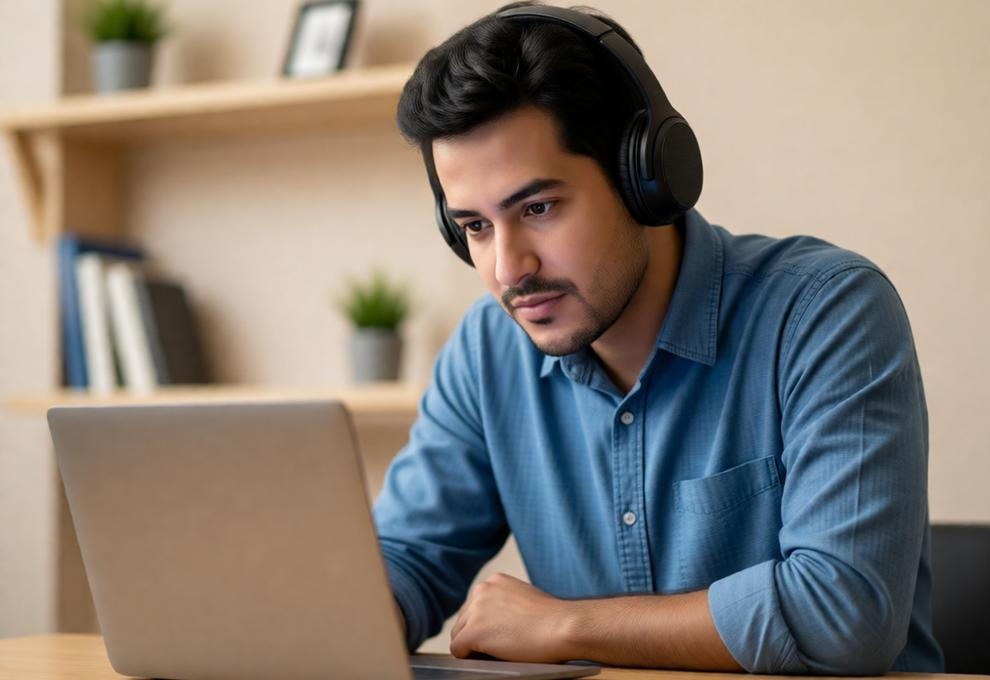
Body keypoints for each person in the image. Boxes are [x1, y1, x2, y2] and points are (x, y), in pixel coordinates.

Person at [372, 2, 944, 674]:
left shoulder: (825, 313)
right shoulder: (486, 353)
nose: (509, 268)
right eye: (474, 227)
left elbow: (845, 613)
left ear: (644, 176)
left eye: (539, 208)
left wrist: (565, 627)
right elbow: (407, 558)